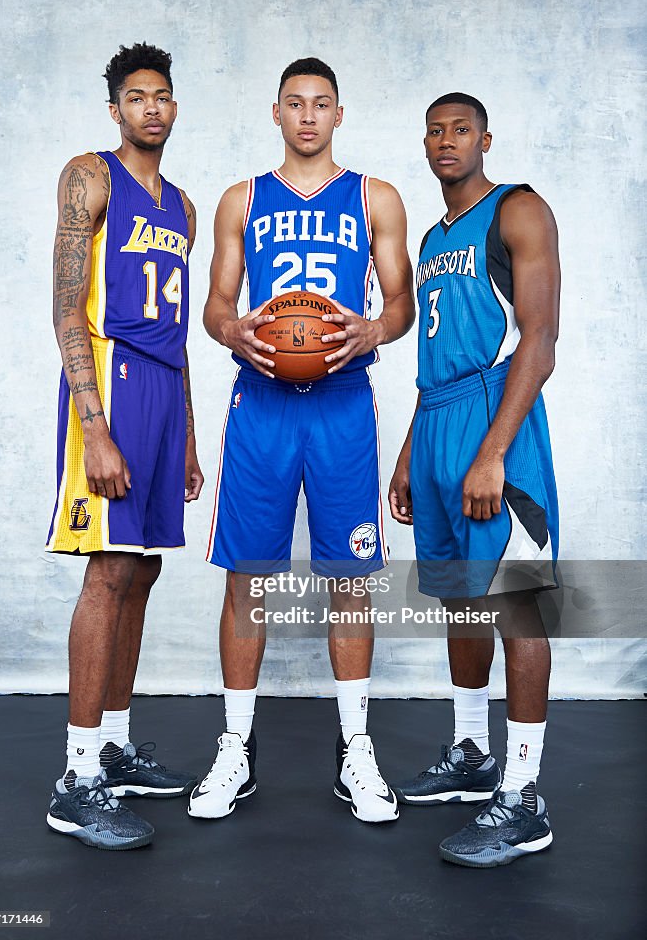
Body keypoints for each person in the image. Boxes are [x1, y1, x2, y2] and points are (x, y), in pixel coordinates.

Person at [189, 57, 415, 824]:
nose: (309, 116)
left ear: (339, 114)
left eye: (322, 104)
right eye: (295, 103)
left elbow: (402, 301)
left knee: (349, 576)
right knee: (247, 574)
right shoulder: (241, 199)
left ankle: (357, 750)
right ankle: (235, 747)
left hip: (344, 400)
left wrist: (375, 327)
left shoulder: (376, 195)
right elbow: (217, 306)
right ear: (276, 113)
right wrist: (236, 332)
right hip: (262, 399)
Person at [389, 93, 560, 867]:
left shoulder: (517, 211)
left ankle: (523, 798)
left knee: (515, 603)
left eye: (460, 129)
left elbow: (540, 340)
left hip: (498, 417)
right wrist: (409, 451)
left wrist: (493, 451)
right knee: (460, 599)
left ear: (485, 139)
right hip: (437, 422)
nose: (446, 140)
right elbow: (432, 357)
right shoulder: (431, 238)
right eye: (435, 130)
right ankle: (470, 757)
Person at [45, 42, 204, 849]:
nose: (151, 107)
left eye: (162, 96)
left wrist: (187, 437)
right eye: (135, 96)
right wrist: (93, 423)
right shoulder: (90, 174)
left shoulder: (183, 203)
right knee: (107, 572)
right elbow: (68, 308)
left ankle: (111, 742)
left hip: (162, 388)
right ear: (116, 109)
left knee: (142, 568)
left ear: (175, 108)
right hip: (107, 380)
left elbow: (178, 335)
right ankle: (76, 778)